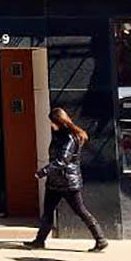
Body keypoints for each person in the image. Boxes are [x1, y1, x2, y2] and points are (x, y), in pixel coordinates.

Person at [24, 108, 108, 252]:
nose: (51, 125)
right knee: (48, 212)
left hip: (68, 182)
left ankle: (100, 239)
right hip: (55, 181)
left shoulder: (69, 137)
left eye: (52, 122)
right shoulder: (60, 135)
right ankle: (39, 241)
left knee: (80, 211)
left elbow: (62, 160)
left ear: (58, 122)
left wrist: (43, 172)